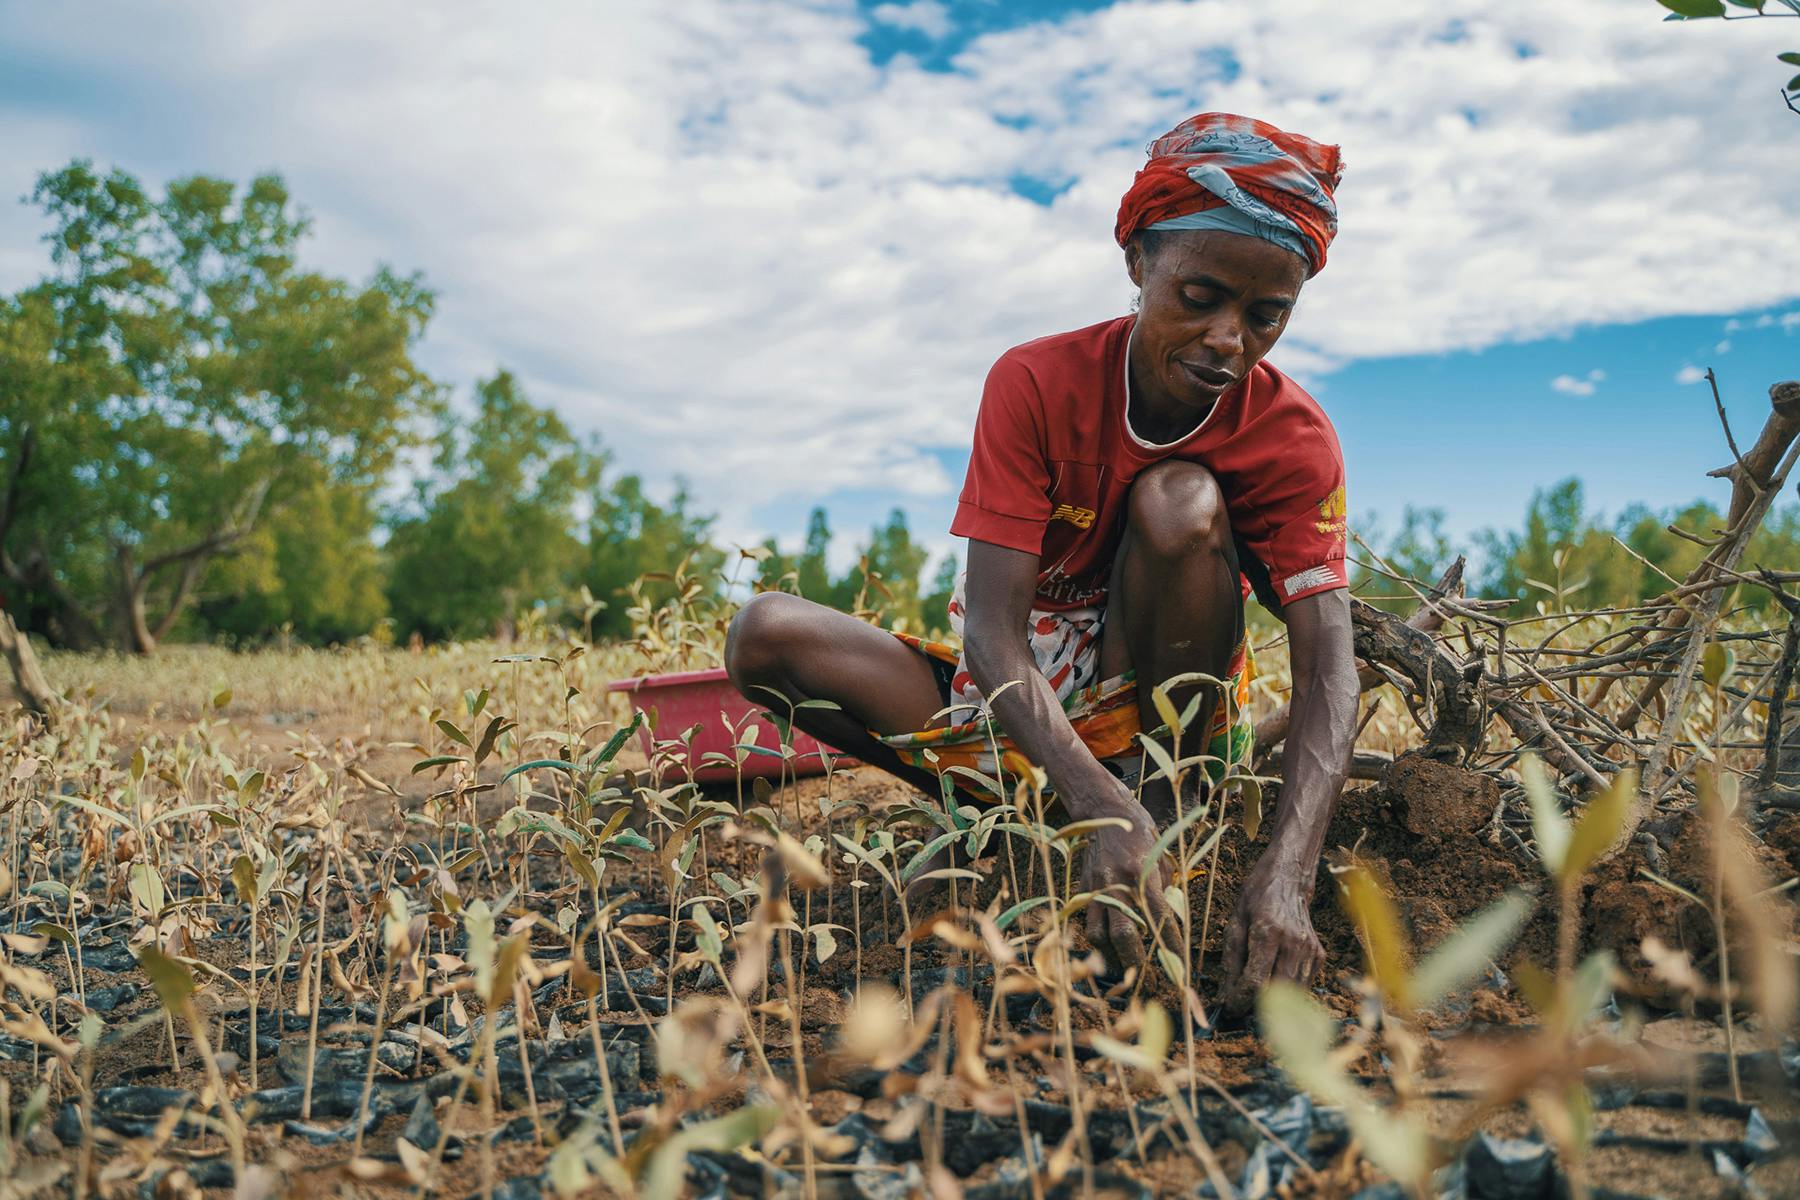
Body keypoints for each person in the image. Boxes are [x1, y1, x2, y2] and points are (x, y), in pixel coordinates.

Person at [725, 113, 1358, 1005]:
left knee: (1178, 501)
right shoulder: (1036, 381)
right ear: (1139, 263)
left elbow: (1329, 664)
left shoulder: (1292, 437)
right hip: (1019, 707)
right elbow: (991, 629)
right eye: (1199, 296)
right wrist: (1093, 801)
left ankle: (1164, 815)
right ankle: (1037, 821)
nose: (1228, 340)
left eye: (1266, 316)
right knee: (763, 634)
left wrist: (1289, 870)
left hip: (1163, 715)